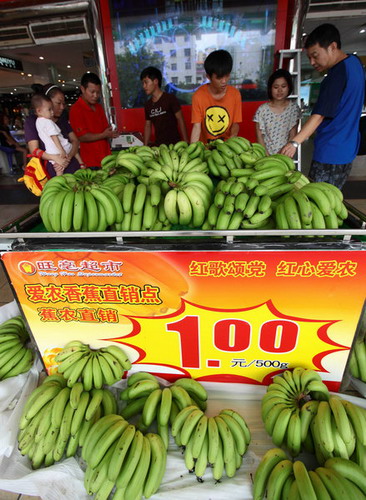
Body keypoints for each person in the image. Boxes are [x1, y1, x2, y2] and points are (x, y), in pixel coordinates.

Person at [281, 23, 365, 189]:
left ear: (332, 47)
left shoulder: (336, 75)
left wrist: (294, 143)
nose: (312, 62)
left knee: (316, 199)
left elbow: (319, 115)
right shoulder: (355, 64)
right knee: (331, 196)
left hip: (331, 151)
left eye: (315, 55)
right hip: (347, 149)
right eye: (309, 58)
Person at [24, 83, 82, 177]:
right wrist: (55, 158)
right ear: (47, 102)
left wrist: (68, 158)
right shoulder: (33, 121)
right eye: (58, 103)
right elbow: (34, 150)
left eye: (63, 103)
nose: (62, 107)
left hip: (73, 167)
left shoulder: (62, 119)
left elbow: (75, 140)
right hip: (52, 171)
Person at [190, 49, 242, 144]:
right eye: (219, 77)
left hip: (227, 147)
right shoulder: (198, 96)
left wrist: (232, 137)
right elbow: (197, 127)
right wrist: (192, 148)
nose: (224, 81)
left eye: (227, 76)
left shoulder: (235, 94)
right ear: (208, 77)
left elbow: (235, 123)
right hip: (205, 148)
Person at [69, 72, 119, 168]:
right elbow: (82, 136)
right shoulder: (76, 109)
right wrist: (104, 135)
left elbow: (105, 129)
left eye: (98, 92)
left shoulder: (99, 107)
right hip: (91, 162)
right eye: (92, 92)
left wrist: (111, 133)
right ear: (82, 89)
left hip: (106, 158)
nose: (95, 95)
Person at [253, 69, 301, 155]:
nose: (279, 90)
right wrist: (267, 157)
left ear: (289, 87)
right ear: (270, 88)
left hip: (286, 156)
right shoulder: (262, 110)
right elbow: (259, 137)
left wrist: (283, 157)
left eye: (283, 86)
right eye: (276, 87)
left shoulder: (293, 109)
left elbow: (293, 134)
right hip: (264, 156)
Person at [140, 66, 188, 146]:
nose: (144, 86)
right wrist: (145, 146)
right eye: (143, 83)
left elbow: (180, 119)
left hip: (175, 145)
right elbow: (148, 125)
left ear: (155, 81)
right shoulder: (148, 104)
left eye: (146, 82)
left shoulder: (170, 98)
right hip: (159, 146)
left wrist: (186, 142)